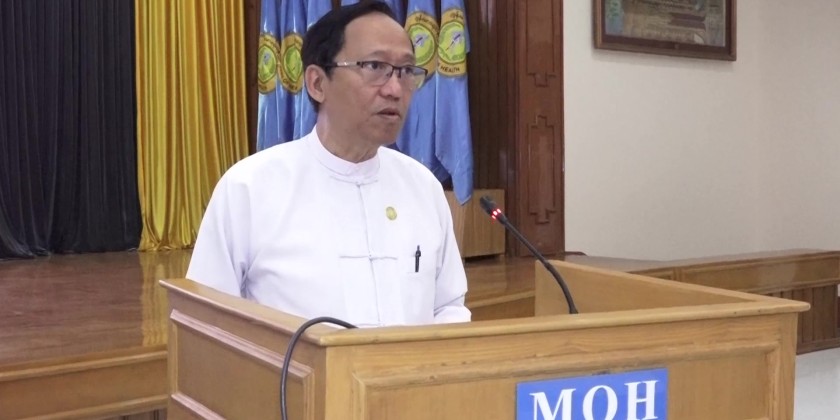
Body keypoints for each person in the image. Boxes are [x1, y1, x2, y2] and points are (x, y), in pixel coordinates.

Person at [186, 0, 471, 327]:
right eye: (374, 66)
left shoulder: (423, 187)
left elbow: (448, 307)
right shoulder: (249, 188)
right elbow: (205, 320)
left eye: (406, 71)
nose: (395, 89)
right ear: (317, 83)